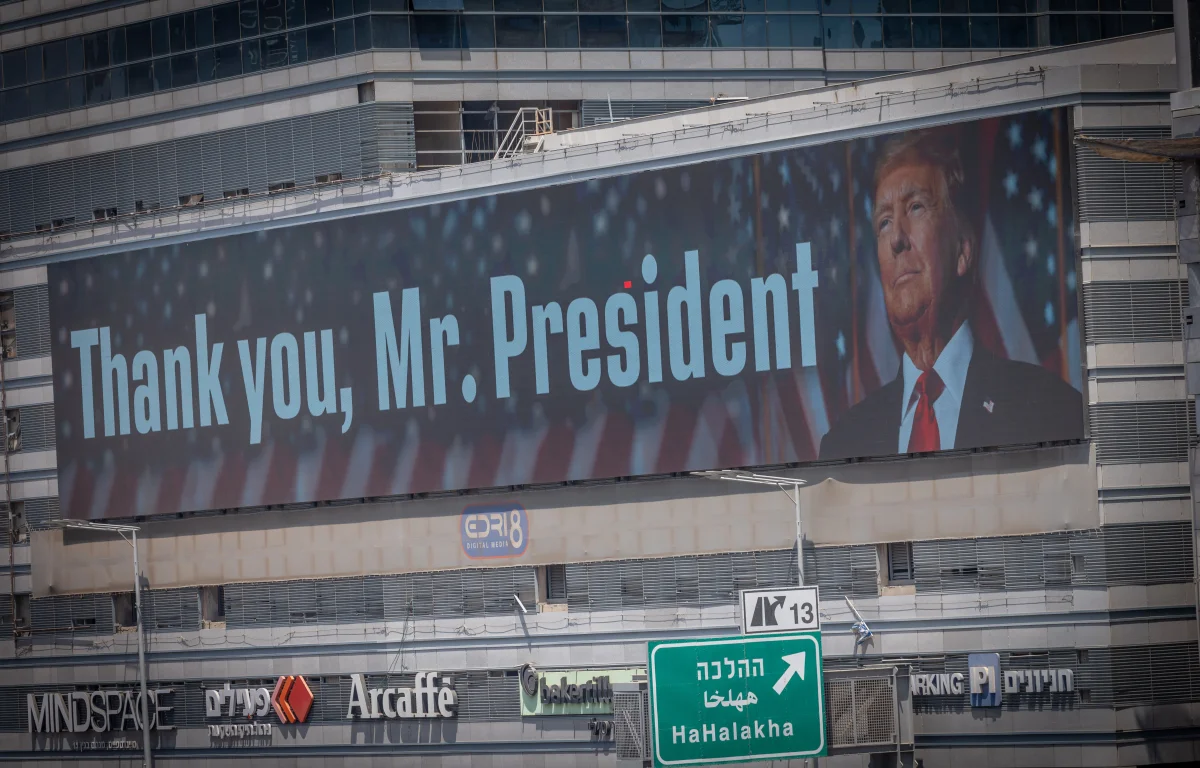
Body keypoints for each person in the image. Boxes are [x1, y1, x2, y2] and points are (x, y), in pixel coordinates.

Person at [819, 129, 1083, 461]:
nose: (896, 239)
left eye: (915, 207)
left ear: (962, 251)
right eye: (884, 222)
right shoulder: (843, 445)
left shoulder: (1048, 411)